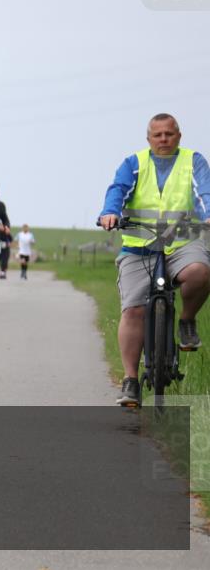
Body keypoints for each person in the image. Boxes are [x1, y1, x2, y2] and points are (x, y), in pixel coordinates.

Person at [98, 113, 210, 407]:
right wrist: (110, 212)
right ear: (148, 138)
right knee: (133, 310)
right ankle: (131, 380)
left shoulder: (193, 161)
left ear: (179, 136)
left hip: (182, 244)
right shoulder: (134, 163)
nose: (163, 139)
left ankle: (187, 321)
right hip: (140, 247)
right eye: (157, 135)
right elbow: (118, 190)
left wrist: (209, 214)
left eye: (169, 134)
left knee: (200, 271)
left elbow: (203, 192)